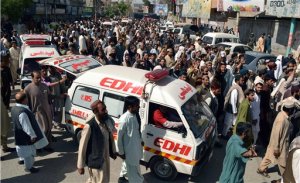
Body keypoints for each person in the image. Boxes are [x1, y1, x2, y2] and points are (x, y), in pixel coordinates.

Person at [77, 100, 116, 183]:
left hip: (105, 159)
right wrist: (80, 165)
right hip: (96, 162)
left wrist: (113, 151)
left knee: (102, 180)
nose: (106, 111)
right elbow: (82, 147)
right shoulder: (89, 126)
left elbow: (110, 138)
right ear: (95, 112)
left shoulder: (106, 122)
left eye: (105, 109)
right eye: (103, 110)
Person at [257, 100, 295, 177]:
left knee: (268, 156)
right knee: (283, 161)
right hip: (279, 144)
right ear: (290, 110)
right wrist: (277, 148)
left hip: (276, 142)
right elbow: (278, 133)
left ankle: (261, 169)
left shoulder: (282, 115)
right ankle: (285, 176)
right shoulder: (282, 119)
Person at [12, 92, 45, 173]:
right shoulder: (23, 112)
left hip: (18, 134)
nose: (27, 99)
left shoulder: (14, 108)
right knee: (29, 153)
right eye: (26, 98)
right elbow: (26, 126)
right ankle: (29, 167)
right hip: (25, 136)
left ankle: (21, 159)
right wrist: (32, 136)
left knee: (21, 148)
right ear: (24, 100)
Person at [24, 70, 54, 152]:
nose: (39, 79)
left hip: (47, 111)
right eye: (37, 78)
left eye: (40, 78)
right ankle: (38, 147)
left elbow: (49, 96)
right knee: (41, 130)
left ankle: (48, 146)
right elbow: (26, 103)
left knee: (48, 129)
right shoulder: (27, 89)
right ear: (32, 78)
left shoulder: (44, 86)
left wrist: (59, 96)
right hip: (37, 113)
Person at [117, 96, 144, 183]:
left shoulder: (135, 115)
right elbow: (119, 138)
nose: (139, 107)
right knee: (133, 172)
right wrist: (121, 152)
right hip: (130, 151)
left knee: (132, 166)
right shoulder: (124, 119)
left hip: (136, 147)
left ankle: (122, 177)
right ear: (129, 106)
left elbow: (137, 130)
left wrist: (141, 140)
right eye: (137, 105)